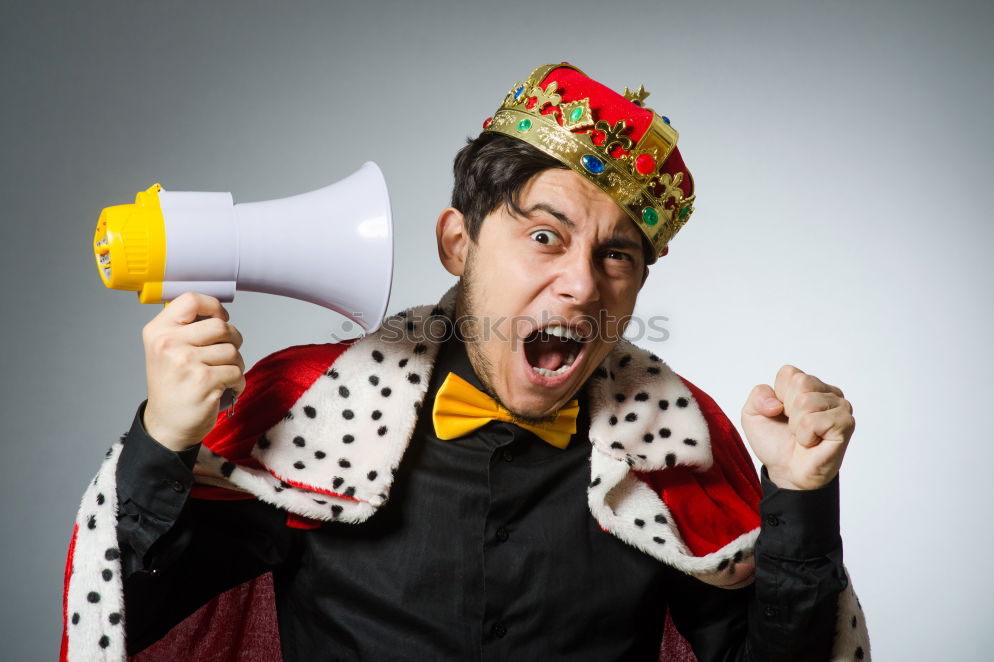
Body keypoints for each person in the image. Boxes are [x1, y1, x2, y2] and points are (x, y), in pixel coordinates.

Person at [62, 63, 871, 661]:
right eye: (545, 236)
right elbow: (128, 625)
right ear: (459, 242)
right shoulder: (315, 412)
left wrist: (800, 501)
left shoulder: (675, 446)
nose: (582, 283)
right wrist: (162, 441)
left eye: (618, 255)